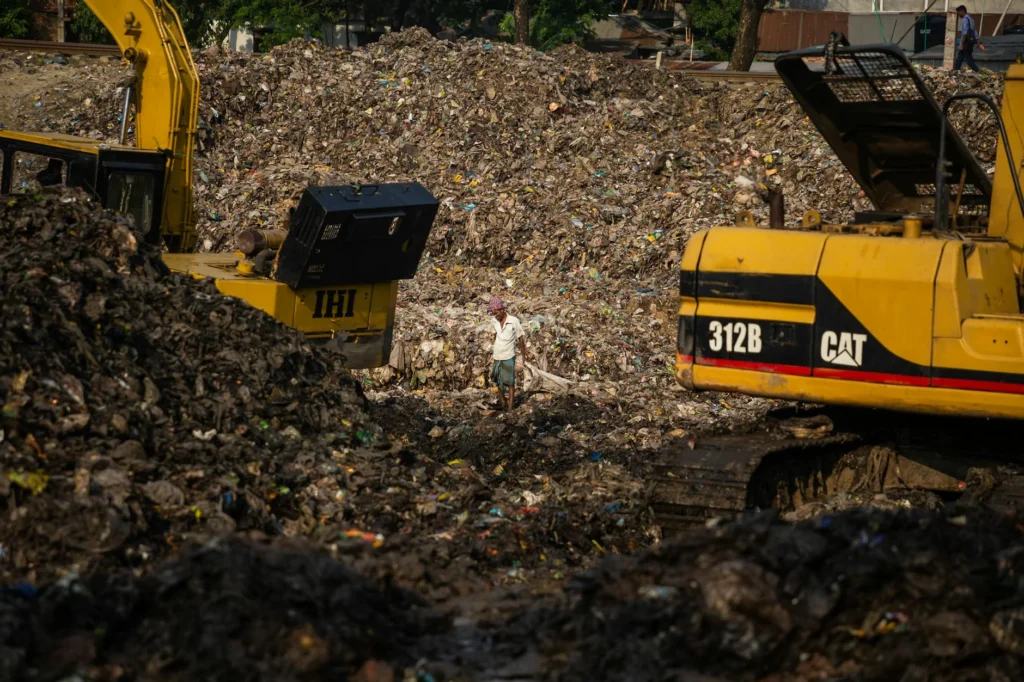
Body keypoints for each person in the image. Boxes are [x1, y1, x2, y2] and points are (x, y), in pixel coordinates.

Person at [488, 296, 527, 411]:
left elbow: (520, 339)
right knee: (498, 380)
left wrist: (523, 356)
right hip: (497, 355)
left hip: (509, 355)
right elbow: (493, 335)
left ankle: (510, 408)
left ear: (502, 310)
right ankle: (503, 403)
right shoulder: (494, 321)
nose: (495, 315)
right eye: (493, 313)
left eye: (496, 312)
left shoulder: (513, 321)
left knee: (510, 382)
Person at [954, 5, 986, 72]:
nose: (958, 14)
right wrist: (979, 44)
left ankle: (976, 71)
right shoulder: (971, 19)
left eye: (958, 12)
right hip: (971, 42)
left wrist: (962, 44)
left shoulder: (965, 19)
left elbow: (965, 33)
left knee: (969, 59)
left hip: (966, 42)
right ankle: (955, 71)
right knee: (960, 58)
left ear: (962, 11)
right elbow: (975, 33)